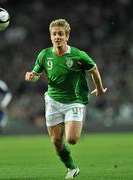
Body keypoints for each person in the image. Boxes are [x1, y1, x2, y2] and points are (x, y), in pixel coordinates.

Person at [25, 19, 107, 179]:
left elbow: (94, 69)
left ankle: (73, 124)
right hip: (52, 101)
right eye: (54, 34)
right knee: (56, 141)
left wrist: (99, 88)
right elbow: (35, 75)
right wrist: (30, 77)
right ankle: (71, 167)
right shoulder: (44, 55)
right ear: (50, 37)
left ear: (67, 36)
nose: (57, 37)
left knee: (72, 139)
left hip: (73, 101)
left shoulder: (78, 55)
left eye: (60, 34)